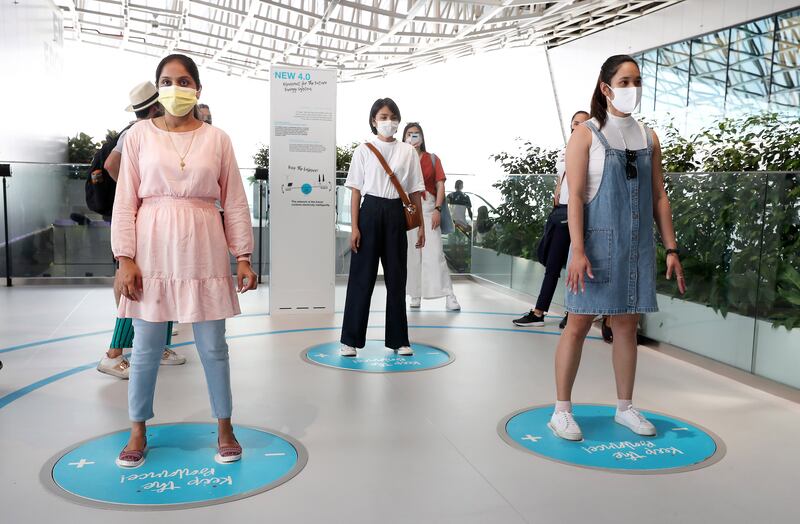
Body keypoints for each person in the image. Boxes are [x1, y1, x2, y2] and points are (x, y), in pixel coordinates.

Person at [112, 54, 256, 467]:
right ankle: (138, 429)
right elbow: (125, 201)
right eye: (168, 80)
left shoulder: (218, 138)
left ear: (197, 88)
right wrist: (124, 257)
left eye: (184, 80)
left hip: (204, 244)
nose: (176, 87)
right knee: (145, 347)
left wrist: (242, 256)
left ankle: (224, 426)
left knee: (213, 346)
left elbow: (234, 201)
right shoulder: (139, 135)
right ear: (159, 87)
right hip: (151, 246)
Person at [548, 55, 686, 441]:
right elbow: (575, 197)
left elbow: (659, 197)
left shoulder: (648, 137)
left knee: (627, 325)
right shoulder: (586, 134)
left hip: (636, 247)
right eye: (625, 81)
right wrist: (577, 249)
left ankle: (625, 407)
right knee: (577, 323)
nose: (633, 88)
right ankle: (561, 410)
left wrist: (672, 250)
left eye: (637, 80)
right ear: (606, 88)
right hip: (594, 247)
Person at [97, 81, 183, 379]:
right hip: (142, 222)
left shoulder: (160, 131)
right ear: (157, 105)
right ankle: (113, 354)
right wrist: (136, 191)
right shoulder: (138, 132)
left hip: (160, 222)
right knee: (138, 289)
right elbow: (111, 165)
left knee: (163, 283)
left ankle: (158, 346)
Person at [340, 98, 425, 357]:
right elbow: (355, 192)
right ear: (373, 120)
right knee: (361, 278)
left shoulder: (407, 151)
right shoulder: (363, 150)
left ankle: (400, 340)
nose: (388, 121)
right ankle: (350, 340)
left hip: (395, 212)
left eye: (392, 116)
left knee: (397, 278)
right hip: (369, 212)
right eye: (382, 116)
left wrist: (420, 226)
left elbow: (415, 191)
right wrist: (354, 227)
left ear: (398, 120)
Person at [514, 111, 590, 329]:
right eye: (575, 123)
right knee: (553, 264)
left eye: (583, 123)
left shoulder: (592, 150)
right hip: (562, 211)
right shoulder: (565, 150)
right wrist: (557, 190)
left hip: (580, 211)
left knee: (574, 264)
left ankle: (572, 312)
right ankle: (539, 312)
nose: (578, 126)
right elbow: (561, 175)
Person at [402, 122, 460, 311]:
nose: (413, 137)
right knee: (413, 254)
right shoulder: (400, 159)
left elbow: (440, 185)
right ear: (404, 137)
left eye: (416, 133)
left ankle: (449, 294)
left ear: (422, 137)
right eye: (409, 134)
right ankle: (415, 293)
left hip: (428, 207)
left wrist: (437, 209)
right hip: (408, 209)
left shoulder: (432, 158)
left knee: (435, 253)